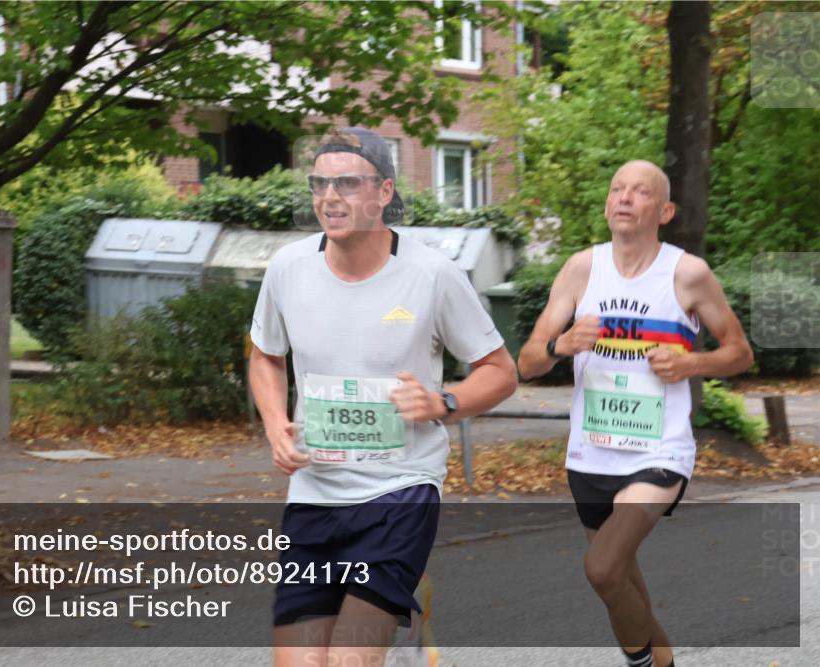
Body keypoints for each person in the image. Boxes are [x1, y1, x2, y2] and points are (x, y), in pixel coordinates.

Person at [249, 127, 518, 667]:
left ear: (384, 192)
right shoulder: (288, 269)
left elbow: (499, 370)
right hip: (315, 491)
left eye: (347, 183)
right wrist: (277, 423)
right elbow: (265, 356)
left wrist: (444, 402)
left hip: (400, 489)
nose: (330, 197)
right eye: (320, 184)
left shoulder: (432, 275)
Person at [517, 160, 754, 667]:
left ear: (664, 210)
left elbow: (739, 352)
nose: (625, 197)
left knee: (602, 568)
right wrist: (562, 343)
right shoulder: (582, 268)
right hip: (591, 453)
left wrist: (694, 361)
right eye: (617, 189)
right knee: (621, 578)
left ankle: (640, 662)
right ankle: (661, 662)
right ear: (607, 205)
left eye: (640, 191)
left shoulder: (687, 273)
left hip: (659, 451)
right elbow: (528, 362)